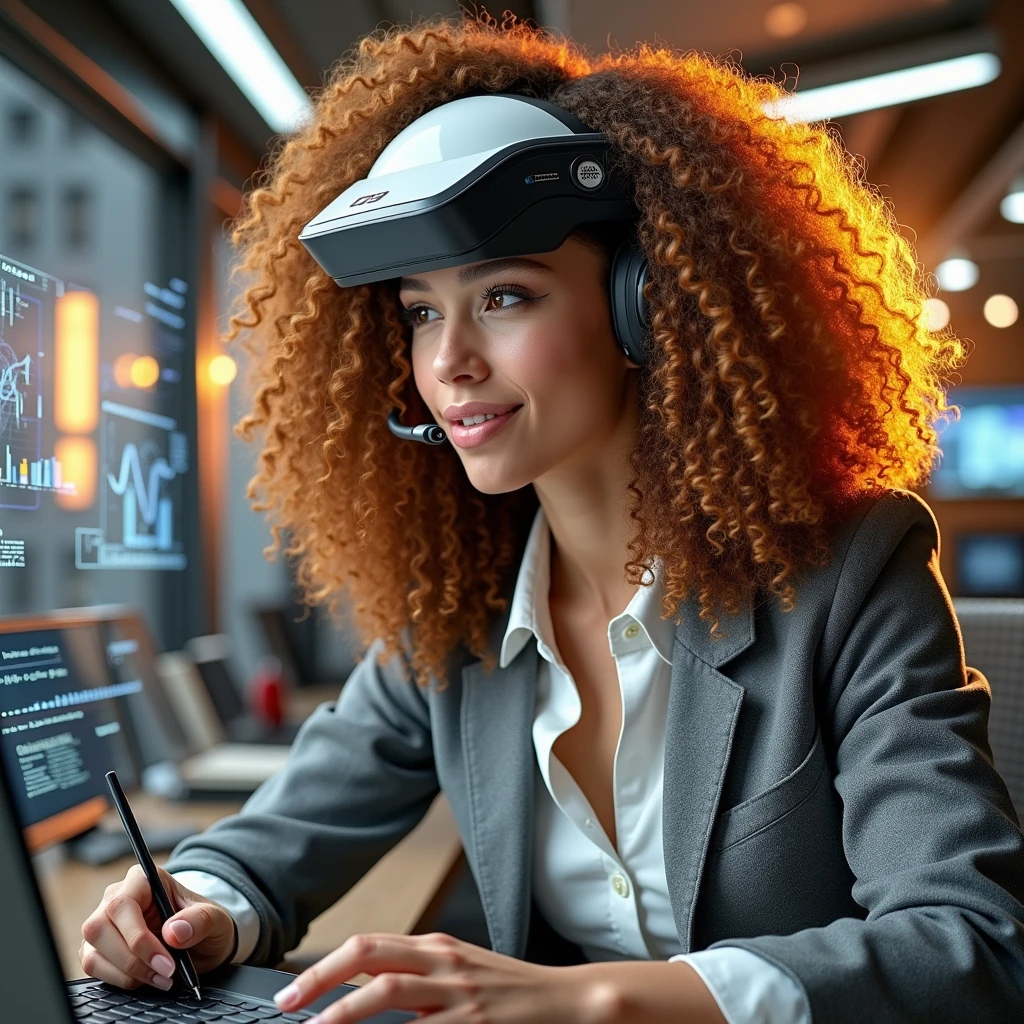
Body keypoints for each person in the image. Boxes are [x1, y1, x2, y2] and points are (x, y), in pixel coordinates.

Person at [79, 13, 1024, 1024]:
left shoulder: (851, 570)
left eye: (505, 297)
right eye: (421, 311)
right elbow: (278, 835)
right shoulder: (461, 614)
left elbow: (965, 943)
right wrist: (191, 907)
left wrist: (596, 1001)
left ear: (644, 308)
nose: (448, 365)